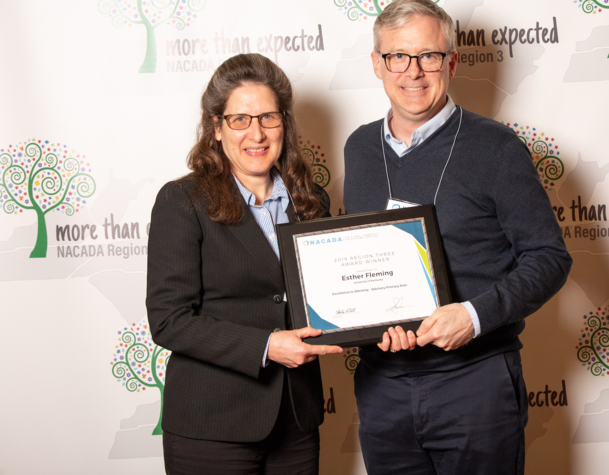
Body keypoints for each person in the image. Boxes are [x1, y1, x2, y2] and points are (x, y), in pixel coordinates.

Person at [342, 1, 573, 474]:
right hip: (383, 387)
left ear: (451, 61)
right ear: (376, 64)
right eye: (397, 57)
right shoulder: (359, 147)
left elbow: (549, 257)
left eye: (428, 55)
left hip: (476, 383)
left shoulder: (497, 148)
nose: (413, 71)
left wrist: (473, 315)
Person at [146, 53, 342, 475]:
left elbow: (333, 298)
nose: (256, 133)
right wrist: (268, 346)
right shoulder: (182, 202)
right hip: (213, 424)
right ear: (216, 128)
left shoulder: (311, 201)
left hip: (297, 419)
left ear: (284, 124)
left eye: (268, 118)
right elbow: (169, 320)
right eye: (240, 119)